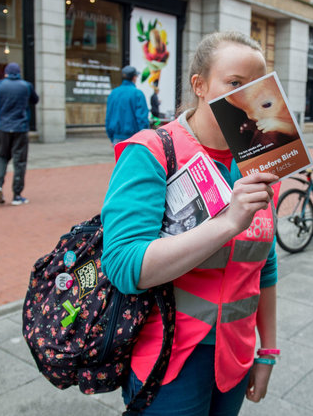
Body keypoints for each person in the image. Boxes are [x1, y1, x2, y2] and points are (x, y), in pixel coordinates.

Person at [101, 31, 279, 416]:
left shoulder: (262, 161)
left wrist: (268, 351)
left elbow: (265, 265)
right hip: (167, 363)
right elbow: (123, 264)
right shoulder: (151, 151)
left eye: (257, 85)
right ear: (199, 85)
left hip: (235, 359)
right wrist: (228, 223)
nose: (248, 96)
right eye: (234, 83)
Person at [0, 62, 39, 206]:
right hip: (20, 128)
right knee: (20, 162)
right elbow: (35, 100)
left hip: (3, 128)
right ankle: (17, 195)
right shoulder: (26, 86)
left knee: (2, 157)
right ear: (19, 73)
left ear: (6, 73)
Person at [105, 65, 149, 145]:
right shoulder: (137, 94)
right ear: (134, 77)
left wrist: (112, 138)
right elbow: (142, 119)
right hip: (134, 139)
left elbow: (109, 117)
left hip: (117, 138)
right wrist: (144, 138)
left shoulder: (113, 93)